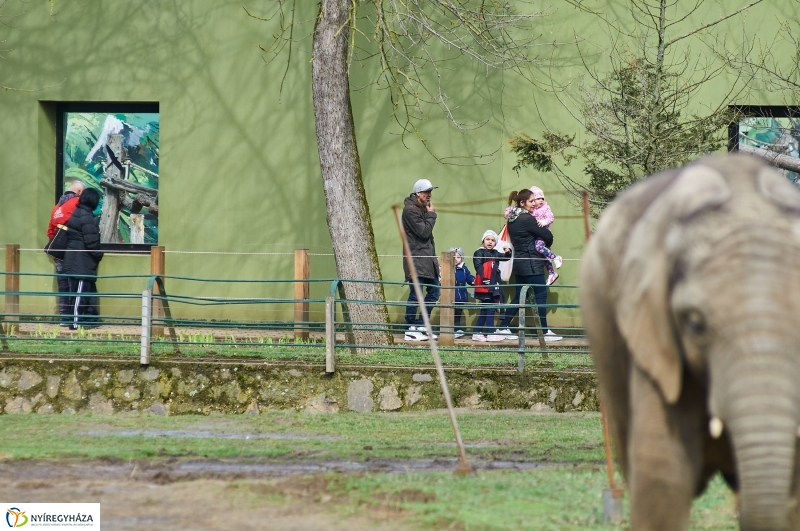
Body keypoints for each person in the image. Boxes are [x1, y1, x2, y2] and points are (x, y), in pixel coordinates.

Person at [496, 188, 562, 341]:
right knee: (540, 294)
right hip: (531, 263)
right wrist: (548, 239)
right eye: (531, 201)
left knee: (519, 296)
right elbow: (547, 235)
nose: (534, 204)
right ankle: (544, 332)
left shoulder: (512, 219)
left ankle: (503, 326)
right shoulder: (527, 219)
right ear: (522, 202)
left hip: (519, 263)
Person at [402, 178, 440, 341]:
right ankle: (411, 327)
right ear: (418, 193)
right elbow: (423, 232)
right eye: (426, 192)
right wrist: (432, 216)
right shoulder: (410, 210)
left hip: (426, 258)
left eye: (430, 192)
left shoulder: (422, 208)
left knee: (434, 290)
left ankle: (421, 324)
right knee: (416, 294)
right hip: (416, 258)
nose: (429, 195)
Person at [63, 188, 104, 329]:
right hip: (81, 261)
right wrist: (99, 254)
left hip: (75, 259)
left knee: (79, 293)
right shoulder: (86, 217)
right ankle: (75, 323)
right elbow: (91, 241)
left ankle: (84, 320)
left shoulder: (77, 213)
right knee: (79, 295)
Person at [47, 180, 85, 325]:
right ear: (79, 192)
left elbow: (50, 231)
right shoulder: (76, 203)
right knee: (74, 284)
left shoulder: (56, 207)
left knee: (62, 285)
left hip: (58, 253)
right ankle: (74, 318)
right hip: (72, 251)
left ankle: (64, 318)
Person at [471, 230, 512, 342]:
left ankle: (477, 332)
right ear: (483, 241)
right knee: (490, 309)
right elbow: (478, 267)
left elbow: (505, 257)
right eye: (487, 239)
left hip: (493, 284)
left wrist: (508, 252)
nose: (490, 242)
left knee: (486, 309)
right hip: (485, 284)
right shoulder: (479, 252)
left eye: (493, 240)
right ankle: (490, 332)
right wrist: (485, 279)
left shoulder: (495, 253)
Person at [528, 186, 563, 286]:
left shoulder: (545, 208)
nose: (541, 200)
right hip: (535, 235)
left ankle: (556, 257)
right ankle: (552, 273)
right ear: (532, 200)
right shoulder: (531, 210)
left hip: (543, 233)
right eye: (538, 198)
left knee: (539, 247)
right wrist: (509, 210)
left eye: (542, 198)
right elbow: (516, 208)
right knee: (543, 255)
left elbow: (551, 217)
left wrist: (544, 222)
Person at [448, 247, 474, 339]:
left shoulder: (463, 268)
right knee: (450, 314)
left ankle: (457, 330)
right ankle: (451, 330)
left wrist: (473, 281)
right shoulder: (447, 268)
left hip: (460, 296)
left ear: (462, 258)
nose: (455, 259)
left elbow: (469, 277)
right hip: (450, 296)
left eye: (458, 257)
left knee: (458, 313)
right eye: (453, 256)